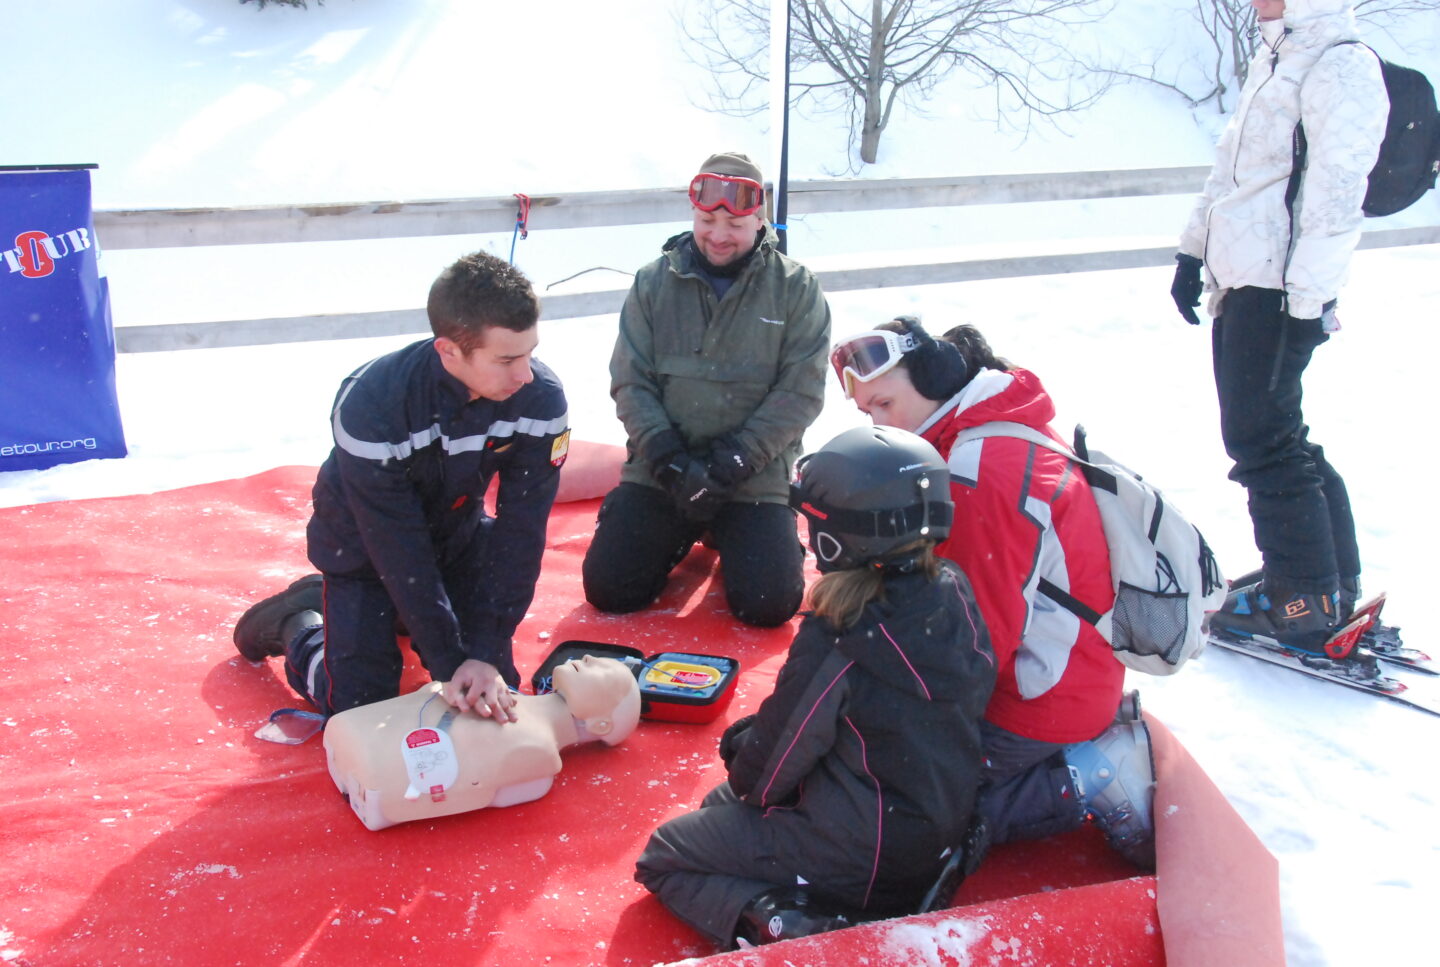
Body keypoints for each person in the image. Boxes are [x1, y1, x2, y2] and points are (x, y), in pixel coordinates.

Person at [635, 426, 996, 948]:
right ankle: (887, 883)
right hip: (934, 821)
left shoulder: (842, 630)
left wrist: (743, 748)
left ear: (836, 535)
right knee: (717, 810)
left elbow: (764, 778)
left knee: (667, 852)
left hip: (864, 847)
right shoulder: (952, 589)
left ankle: (788, 922)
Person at [831, 318, 1156, 868]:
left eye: (885, 404)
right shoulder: (989, 424)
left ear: (933, 378)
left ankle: (1085, 772)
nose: (881, 424)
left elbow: (974, 643)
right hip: (1070, 670)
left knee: (875, 812)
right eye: (868, 415)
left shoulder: (979, 469)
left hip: (1039, 700)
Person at [232, 251, 569, 721]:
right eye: (508, 359)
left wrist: (488, 650)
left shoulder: (539, 398)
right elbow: (395, 543)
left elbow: (523, 529)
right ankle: (301, 622)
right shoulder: (373, 404)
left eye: (531, 352)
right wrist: (449, 661)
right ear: (449, 350)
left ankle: (406, 622)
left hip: (459, 537)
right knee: (359, 712)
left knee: (492, 697)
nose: (526, 374)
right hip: (364, 550)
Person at [1171, 0, 1386, 652]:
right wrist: (1193, 250)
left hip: (1280, 285)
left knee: (1261, 439)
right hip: (1242, 275)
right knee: (1276, 433)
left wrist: (1308, 300)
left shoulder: (1339, 63)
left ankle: (1301, 599)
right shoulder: (1277, 56)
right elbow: (1232, 174)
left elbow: (1337, 194)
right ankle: (1325, 581)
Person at [582, 151, 831, 628]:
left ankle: (744, 534)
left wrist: (730, 463)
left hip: (750, 475)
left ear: (759, 221)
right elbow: (630, 380)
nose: (718, 235)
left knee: (767, 604)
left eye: (735, 224)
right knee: (610, 590)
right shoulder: (653, 282)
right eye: (706, 220)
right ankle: (681, 530)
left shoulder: (797, 289)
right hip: (663, 470)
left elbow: (800, 393)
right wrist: (669, 461)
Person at [323, 655, 642, 830]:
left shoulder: (539, 755)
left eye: (605, 672)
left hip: (373, 760)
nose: (588, 656)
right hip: (367, 743)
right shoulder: (516, 710)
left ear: (602, 723)